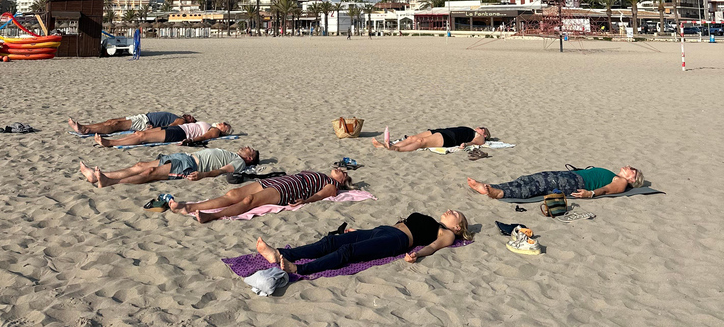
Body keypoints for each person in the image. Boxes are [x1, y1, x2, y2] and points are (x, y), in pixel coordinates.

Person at [255, 209, 472, 275]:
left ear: (457, 227)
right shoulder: (435, 221)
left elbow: (433, 247)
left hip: (397, 240)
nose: (451, 211)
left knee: (347, 251)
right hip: (383, 230)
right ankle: (282, 254)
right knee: (332, 241)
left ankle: (300, 268)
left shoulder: (447, 233)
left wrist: (418, 254)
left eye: (457, 214)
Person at [168, 168, 353, 223]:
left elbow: (322, 195)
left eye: (342, 172)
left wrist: (306, 200)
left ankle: (212, 215)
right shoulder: (323, 175)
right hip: (281, 181)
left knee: (250, 201)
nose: (339, 169)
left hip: (289, 190)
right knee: (234, 193)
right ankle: (188, 207)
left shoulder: (332, 185)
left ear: (343, 180)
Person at [79, 146, 259, 187]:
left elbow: (222, 170)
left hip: (189, 165)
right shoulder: (234, 154)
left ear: (250, 158)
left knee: (151, 172)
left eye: (248, 149)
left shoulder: (239, 162)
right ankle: (97, 176)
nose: (245, 147)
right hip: (185, 156)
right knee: (141, 165)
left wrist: (203, 175)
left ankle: (109, 182)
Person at [467, 165, 645, 199]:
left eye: (632, 170)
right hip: (572, 177)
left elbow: (607, 189)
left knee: (538, 185)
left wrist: (590, 193)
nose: (629, 166)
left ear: (632, 179)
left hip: (575, 182)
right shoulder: (616, 174)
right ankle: (494, 187)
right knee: (529, 179)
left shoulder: (621, 182)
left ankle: (499, 192)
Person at [93, 121, 232, 147]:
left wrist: (190, 141)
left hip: (180, 134)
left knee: (143, 137)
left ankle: (110, 143)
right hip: (179, 129)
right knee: (141, 133)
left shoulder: (215, 131)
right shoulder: (211, 125)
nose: (222, 124)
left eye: (225, 126)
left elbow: (203, 137)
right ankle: (115, 141)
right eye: (223, 122)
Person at [373, 126, 490, 152]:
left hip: (450, 138)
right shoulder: (471, 129)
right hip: (443, 131)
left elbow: (473, 142)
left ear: (484, 135)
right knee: (412, 138)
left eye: (482, 129)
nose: (479, 128)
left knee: (420, 142)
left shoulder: (480, 138)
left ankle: (396, 148)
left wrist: (465, 144)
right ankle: (385, 145)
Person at [68, 111, 195, 135]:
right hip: (143, 117)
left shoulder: (181, 120)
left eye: (192, 119)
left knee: (114, 125)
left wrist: (155, 129)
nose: (190, 116)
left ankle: (85, 130)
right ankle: (83, 127)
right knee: (111, 121)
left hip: (145, 122)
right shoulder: (176, 116)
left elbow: (172, 127)